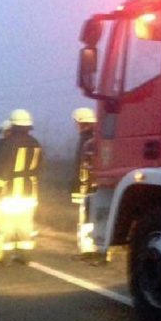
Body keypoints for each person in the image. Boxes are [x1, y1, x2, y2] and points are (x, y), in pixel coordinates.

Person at [0, 109, 44, 265]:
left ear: (13, 124)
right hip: (29, 195)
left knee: (6, 226)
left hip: (9, 195)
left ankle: (4, 257)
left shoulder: (8, 143)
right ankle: (25, 256)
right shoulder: (36, 143)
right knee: (24, 226)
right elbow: (41, 167)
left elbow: (3, 167)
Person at [70, 107, 102, 261]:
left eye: (77, 123)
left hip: (87, 188)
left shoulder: (86, 140)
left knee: (86, 218)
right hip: (98, 186)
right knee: (96, 217)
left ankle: (87, 251)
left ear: (82, 123)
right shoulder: (99, 137)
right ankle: (99, 250)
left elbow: (81, 166)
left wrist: (76, 188)